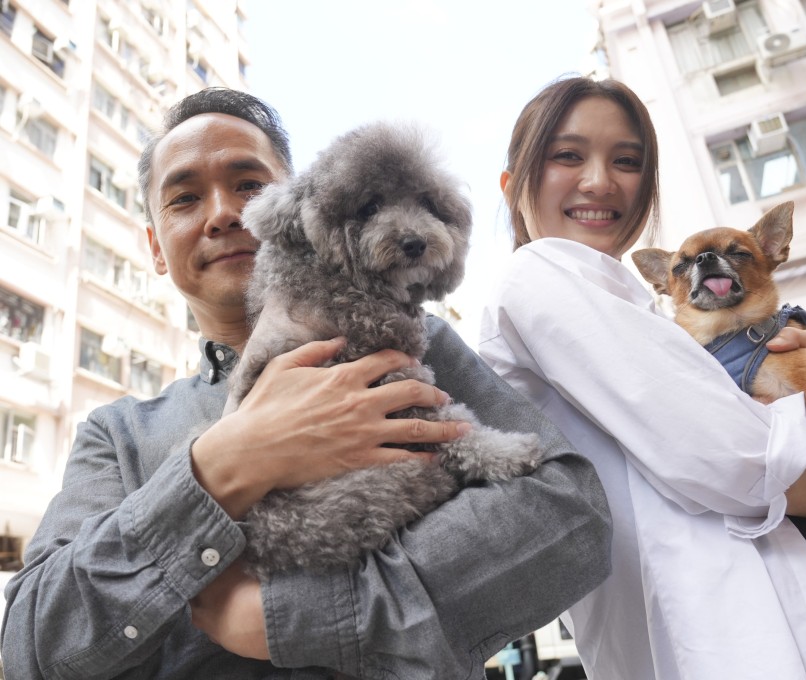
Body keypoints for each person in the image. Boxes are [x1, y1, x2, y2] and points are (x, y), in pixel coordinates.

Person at [0, 88, 613, 679]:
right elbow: (32, 647)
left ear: (300, 208)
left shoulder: (423, 344)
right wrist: (223, 464)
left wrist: (296, 618)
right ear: (156, 247)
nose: (225, 213)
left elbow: (571, 518)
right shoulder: (120, 435)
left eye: (249, 185)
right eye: (184, 198)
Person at [480, 75, 806, 679]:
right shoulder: (540, 275)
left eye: (627, 161)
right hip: (781, 622)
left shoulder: (637, 306)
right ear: (512, 183)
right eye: (567, 155)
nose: (600, 181)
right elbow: (742, 461)